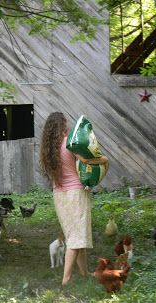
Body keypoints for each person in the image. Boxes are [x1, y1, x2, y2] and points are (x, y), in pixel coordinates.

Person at [40, 112, 109, 286]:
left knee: (76, 235)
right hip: (75, 194)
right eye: (66, 123)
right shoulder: (68, 144)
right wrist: (105, 160)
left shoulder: (49, 150)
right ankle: (66, 280)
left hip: (59, 196)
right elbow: (87, 160)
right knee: (76, 239)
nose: (68, 126)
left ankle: (84, 273)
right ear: (61, 127)